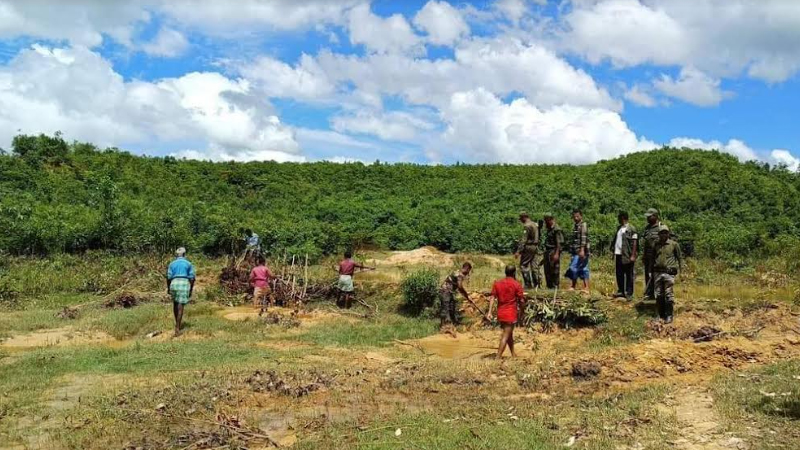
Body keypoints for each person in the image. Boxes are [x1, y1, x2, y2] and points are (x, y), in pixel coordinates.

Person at [486, 265, 526, 358]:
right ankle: (498, 357)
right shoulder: (516, 284)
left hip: (501, 312)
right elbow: (521, 300)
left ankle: (513, 354)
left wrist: (490, 312)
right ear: (514, 273)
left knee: (509, 334)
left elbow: (492, 297)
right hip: (510, 313)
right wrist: (522, 311)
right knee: (505, 335)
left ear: (505, 272)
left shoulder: (497, 283)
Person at [652, 225, 682, 323]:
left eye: (665, 233)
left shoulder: (674, 244)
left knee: (669, 294)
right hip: (657, 272)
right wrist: (650, 271)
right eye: (662, 233)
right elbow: (652, 258)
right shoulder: (656, 245)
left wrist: (681, 272)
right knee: (658, 294)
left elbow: (679, 258)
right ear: (659, 234)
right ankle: (660, 314)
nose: (663, 235)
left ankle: (669, 315)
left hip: (669, 273)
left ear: (668, 234)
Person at [166, 247, 195, 336]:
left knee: (175, 303)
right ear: (184, 254)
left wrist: (168, 288)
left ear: (176, 255)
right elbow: (192, 278)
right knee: (180, 305)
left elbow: (168, 277)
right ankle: (178, 328)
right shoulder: (188, 264)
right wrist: (190, 289)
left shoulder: (172, 264)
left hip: (174, 283)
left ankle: (177, 323)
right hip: (183, 283)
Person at [611, 211, 638, 300]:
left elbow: (635, 242)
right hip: (618, 254)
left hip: (627, 255)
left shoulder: (632, 228)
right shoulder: (619, 228)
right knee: (619, 273)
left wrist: (633, 255)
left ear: (622, 218)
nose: (618, 220)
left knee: (629, 274)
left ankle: (629, 293)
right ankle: (621, 291)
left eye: (619, 218)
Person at [440, 262, 473, 332]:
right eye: (469, 271)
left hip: (449, 292)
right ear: (467, 269)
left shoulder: (457, 272)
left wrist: (467, 296)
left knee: (452, 307)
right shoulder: (459, 275)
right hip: (445, 291)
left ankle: (453, 324)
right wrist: (467, 296)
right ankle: (445, 326)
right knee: (446, 308)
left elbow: (458, 287)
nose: (468, 273)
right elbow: (460, 287)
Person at [514, 211, 541, 289]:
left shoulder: (527, 226)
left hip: (528, 247)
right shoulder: (535, 224)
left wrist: (518, 251)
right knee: (534, 266)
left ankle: (528, 284)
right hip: (535, 246)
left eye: (521, 218)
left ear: (524, 217)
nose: (521, 220)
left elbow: (524, 240)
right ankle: (537, 284)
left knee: (523, 265)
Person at [565, 209, 590, 292]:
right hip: (576, 250)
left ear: (581, 216)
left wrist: (582, 250)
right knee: (581, 268)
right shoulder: (576, 226)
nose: (575, 218)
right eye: (574, 216)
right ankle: (574, 286)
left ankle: (586, 287)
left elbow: (583, 238)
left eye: (577, 216)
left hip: (581, 251)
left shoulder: (583, 225)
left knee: (575, 267)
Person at [642, 208, 663, 300]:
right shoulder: (647, 228)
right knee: (648, 275)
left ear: (655, 216)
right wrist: (643, 255)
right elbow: (646, 243)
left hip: (658, 256)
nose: (647, 218)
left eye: (649, 217)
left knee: (659, 276)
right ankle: (650, 294)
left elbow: (671, 240)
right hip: (648, 256)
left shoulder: (661, 227)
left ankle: (660, 295)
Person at [542, 214, 564, 289]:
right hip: (548, 251)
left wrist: (557, 254)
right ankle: (549, 287)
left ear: (551, 219)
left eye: (546, 220)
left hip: (553, 251)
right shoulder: (549, 228)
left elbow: (559, 243)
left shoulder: (556, 229)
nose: (545, 222)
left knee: (554, 270)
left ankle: (555, 287)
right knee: (547, 270)